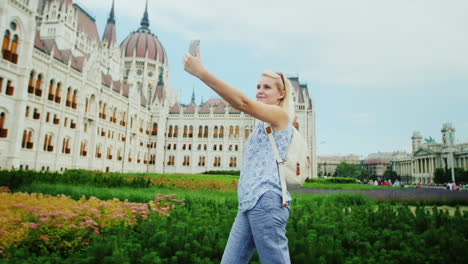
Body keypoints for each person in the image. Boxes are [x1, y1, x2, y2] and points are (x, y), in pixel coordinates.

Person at [184, 47, 293, 263]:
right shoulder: (262, 124)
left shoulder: (280, 116)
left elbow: (242, 102)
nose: (260, 90)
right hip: (248, 203)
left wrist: (201, 73)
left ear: (281, 94)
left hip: (266, 200)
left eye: (267, 87)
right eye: (258, 86)